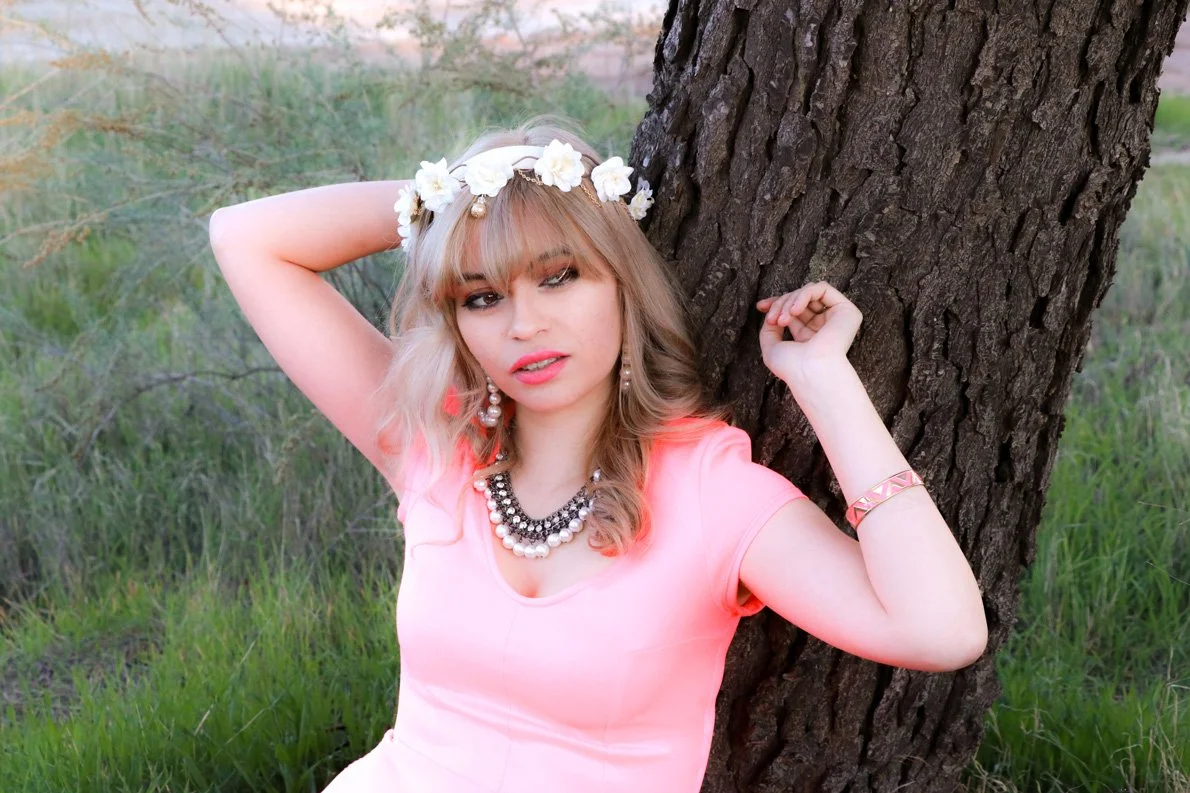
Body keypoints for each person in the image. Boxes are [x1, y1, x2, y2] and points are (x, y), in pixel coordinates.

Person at [208, 118, 987, 793]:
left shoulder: (709, 491)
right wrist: (466, 198)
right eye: (482, 295)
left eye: (559, 276)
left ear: (622, 282)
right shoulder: (437, 449)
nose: (523, 324)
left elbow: (941, 630)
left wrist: (825, 382)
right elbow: (248, 239)